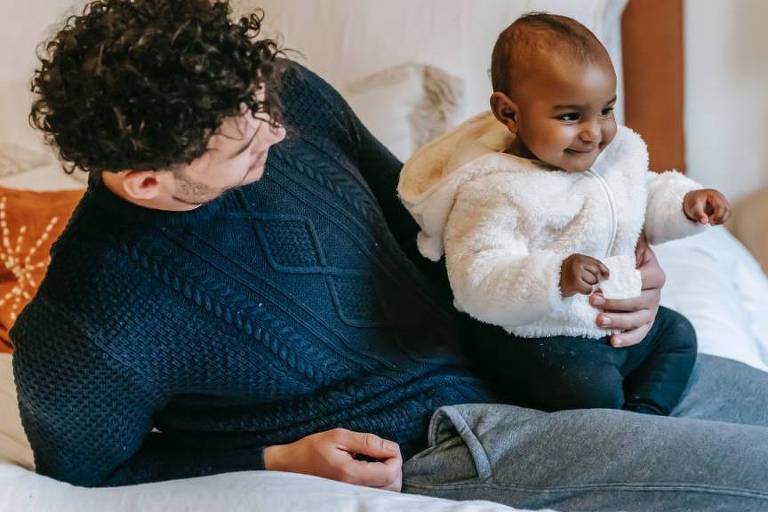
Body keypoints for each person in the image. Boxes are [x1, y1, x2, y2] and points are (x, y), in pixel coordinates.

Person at [10, 1, 768, 510]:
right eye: (245, 143)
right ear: (146, 179)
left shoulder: (287, 99)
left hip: (524, 344)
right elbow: (91, 476)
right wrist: (278, 460)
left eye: (265, 102)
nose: (276, 129)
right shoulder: (88, 326)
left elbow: (432, 222)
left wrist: (621, 257)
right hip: (449, 433)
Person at [397, 13, 730, 416]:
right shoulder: (494, 189)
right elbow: (477, 278)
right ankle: (610, 420)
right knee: (587, 389)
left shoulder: (613, 154)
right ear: (509, 114)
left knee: (678, 335)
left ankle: (647, 416)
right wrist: (555, 276)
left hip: (606, 323)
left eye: (606, 110)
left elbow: (642, 193)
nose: (594, 132)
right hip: (538, 337)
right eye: (570, 116)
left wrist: (687, 203)